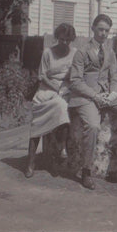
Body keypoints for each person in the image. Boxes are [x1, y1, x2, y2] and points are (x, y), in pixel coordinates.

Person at [68, 14, 117, 190]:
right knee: (94, 126)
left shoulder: (110, 52)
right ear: (93, 29)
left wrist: (112, 94)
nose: (103, 34)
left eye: (107, 31)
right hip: (86, 96)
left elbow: (116, 78)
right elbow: (75, 81)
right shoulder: (81, 51)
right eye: (101, 29)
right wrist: (95, 96)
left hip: (106, 95)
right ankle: (86, 170)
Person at [25, 23, 78, 178]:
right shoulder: (48, 53)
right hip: (47, 88)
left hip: (66, 89)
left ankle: (61, 148)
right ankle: (30, 162)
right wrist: (55, 87)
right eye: (62, 39)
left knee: (64, 105)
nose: (65, 43)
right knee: (38, 121)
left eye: (68, 40)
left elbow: (76, 75)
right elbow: (41, 75)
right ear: (57, 38)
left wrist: (65, 88)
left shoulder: (75, 53)